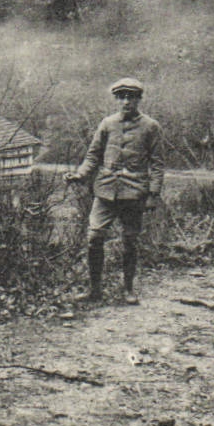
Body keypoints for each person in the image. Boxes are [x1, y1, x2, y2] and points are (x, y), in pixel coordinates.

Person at [64, 77, 164, 304]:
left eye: (131, 97)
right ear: (116, 99)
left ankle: (128, 289)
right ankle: (95, 290)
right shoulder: (107, 124)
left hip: (134, 193)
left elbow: (157, 164)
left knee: (130, 240)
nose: (126, 101)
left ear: (138, 99)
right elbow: (93, 156)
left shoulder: (151, 127)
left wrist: (153, 195)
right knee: (94, 236)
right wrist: (80, 174)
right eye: (122, 97)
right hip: (105, 191)